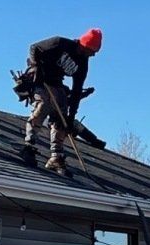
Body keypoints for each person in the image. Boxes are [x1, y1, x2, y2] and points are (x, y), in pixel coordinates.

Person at [18, 28, 102, 173]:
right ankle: (28, 146)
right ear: (83, 45)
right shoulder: (60, 43)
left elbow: (76, 91)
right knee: (43, 105)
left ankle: (56, 157)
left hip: (56, 83)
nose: (93, 55)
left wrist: (71, 115)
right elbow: (34, 48)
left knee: (61, 118)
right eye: (91, 51)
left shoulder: (82, 64)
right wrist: (37, 68)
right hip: (40, 78)